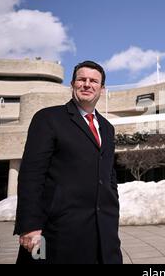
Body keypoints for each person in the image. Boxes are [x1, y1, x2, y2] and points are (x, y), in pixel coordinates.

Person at [14, 61, 122, 264]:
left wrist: (113, 208)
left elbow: (109, 175)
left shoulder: (107, 128)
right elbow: (31, 174)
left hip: (103, 233)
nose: (87, 84)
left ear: (102, 88)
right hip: (58, 233)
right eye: (82, 79)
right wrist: (30, 225)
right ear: (72, 84)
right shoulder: (48, 119)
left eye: (94, 81)